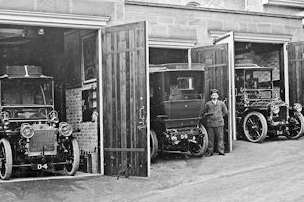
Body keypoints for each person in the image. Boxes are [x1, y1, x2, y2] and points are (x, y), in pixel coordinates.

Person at [202, 89, 228, 156]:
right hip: (210, 124)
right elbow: (204, 113)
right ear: (211, 96)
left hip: (219, 123)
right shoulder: (208, 104)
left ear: (218, 96)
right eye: (213, 95)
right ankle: (210, 152)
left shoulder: (221, 103)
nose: (214, 96)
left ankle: (221, 151)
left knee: (220, 138)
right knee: (210, 139)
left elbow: (225, 112)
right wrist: (208, 115)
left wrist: (219, 116)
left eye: (215, 95)